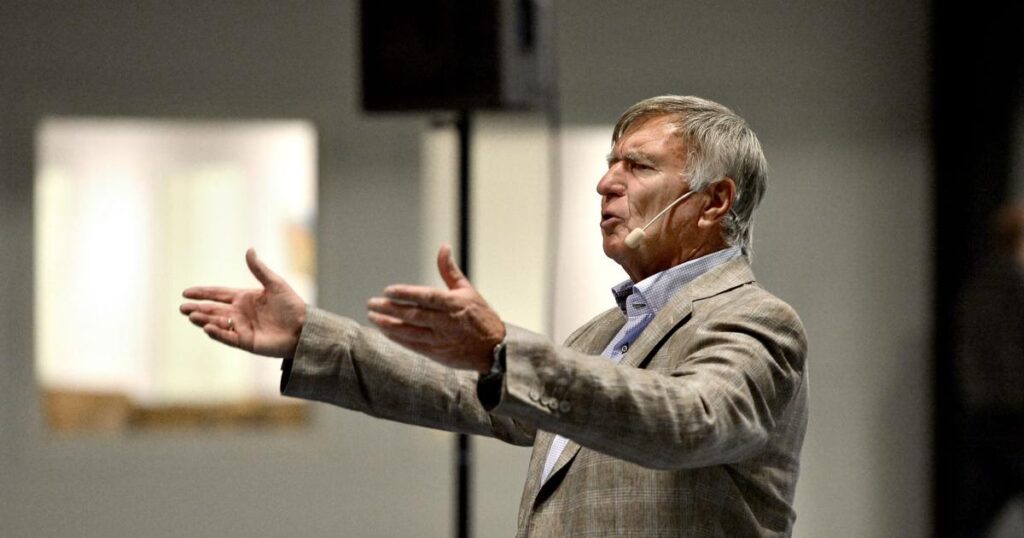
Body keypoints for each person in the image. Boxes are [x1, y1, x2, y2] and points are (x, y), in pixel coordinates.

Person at [180, 95, 808, 537]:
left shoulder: (754, 319)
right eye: (610, 163)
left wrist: (507, 349)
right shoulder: (604, 332)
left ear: (713, 202)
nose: (605, 184)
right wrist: (309, 338)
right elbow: (461, 393)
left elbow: (692, 420)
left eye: (638, 166)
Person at [953, 201, 1024, 537]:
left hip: (985, 415)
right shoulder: (1016, 288)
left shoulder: (977, 288)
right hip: (1015, 415)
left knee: (976, 514)